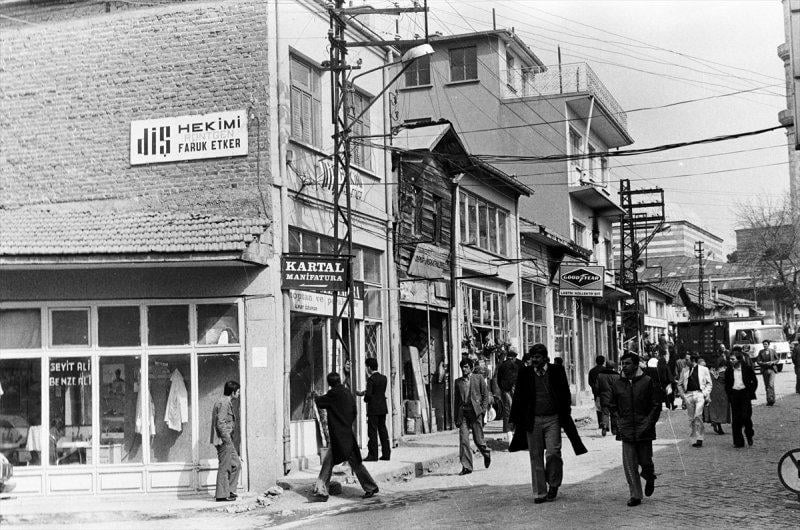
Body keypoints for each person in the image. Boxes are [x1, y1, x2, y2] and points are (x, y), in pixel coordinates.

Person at [509, 344, 587, 503]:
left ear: (544, 357)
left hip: (553, 419)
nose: (534, 361)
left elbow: (565, 393)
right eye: (532, 358)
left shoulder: (557, 370)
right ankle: (539, 493)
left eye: (537, 357)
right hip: (533, 419)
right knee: (535, 456)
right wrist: (514, 420)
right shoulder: (525, 372)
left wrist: (565, 413)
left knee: (553, 453)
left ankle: (553, 483)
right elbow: (518, 397)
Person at [602, 352, 662, 507]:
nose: (624, 367)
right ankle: (635, 494)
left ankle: (649, 477)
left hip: (644, 428)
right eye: (622, 364)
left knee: (645, 461)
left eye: (627, 363)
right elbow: (612, 404)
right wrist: (619, 421)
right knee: (629, 464)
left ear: (636, 365)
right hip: (626, 428)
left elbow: (656, 405)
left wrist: (648, 423)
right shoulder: (617, 383)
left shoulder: (647, 381)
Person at [314, 372, 379, 500]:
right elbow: (354, 411)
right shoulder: (347, 393)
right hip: (347, 434)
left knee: (329, 463)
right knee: (354, 463)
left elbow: (321, 402)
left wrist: (315, 396)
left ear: (329, 383)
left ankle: (321, 490)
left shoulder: (333, 394)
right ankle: (370, 486)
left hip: (338, 437)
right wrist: (346, 423)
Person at [453, 358, 492, 475]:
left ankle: (486, 453)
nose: (464, 369)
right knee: (463, 440)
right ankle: (467, 467)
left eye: (466, 367)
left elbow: (485, 396)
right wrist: (456, 417)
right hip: (463, 413)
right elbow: (456, 401)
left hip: (475, 413)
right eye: (462, 367)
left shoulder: (478, 378)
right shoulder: (458, 382)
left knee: (478, 440)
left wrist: (482, 411)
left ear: (471, 368)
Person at [210, 380, 241, 502]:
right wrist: (227, 440)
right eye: (237, 392)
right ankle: (222, 495)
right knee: (225, 466)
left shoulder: (226, 401)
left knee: (236, 464)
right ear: (232, 392)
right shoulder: (223, 403)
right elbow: (220, 423)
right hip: (223, 440)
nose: (238, 394)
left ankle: (229, 490)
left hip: (226, 439)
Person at [356, 357, 390, 462]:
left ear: (369, 368)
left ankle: (373, 455)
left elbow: (370, 395)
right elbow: (378, 391)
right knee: (383, 431)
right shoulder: (384, 378)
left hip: (373, 409)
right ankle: (386, 454)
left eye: (367, 367)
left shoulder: (371, 379)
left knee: (372, 432)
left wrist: (365, 398)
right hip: (382, 408)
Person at [724, 350, 758, 448]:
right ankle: (738, 442)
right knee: (736, 419)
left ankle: (749, 434)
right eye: (730, 359)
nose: (731, 361)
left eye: (733, 359)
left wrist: (750, 392)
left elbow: (754, 381)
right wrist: (729, 395)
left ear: (739, 359)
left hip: (745, 394)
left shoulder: (747, 368)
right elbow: (727, 384)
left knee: (746, 417)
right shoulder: (729, 370)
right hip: (734, 395)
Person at [677, 354, 712, 448]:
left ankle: (700, 438)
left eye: (687, 359)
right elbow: (679, 384)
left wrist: (705, 393)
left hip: (699, 394)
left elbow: (709, 383)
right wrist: (683, 396)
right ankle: (693, 439)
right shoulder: (684, 370)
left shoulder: (704, 369)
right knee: (691, 418)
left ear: (692, 360)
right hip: (688, 395)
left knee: (698, 416)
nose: (685, 361)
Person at [497, 349, 523, 434]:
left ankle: (506, 428)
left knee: (507, 409)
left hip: (504, 389)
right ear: (513, 358)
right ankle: (513, 428)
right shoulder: (515, 366)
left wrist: (501, 387)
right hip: (513, 388)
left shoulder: (502, 365)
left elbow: (498, 378)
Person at [703, 355, 731, 435]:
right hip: (722, 392)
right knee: (721, 408)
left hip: (712, 392)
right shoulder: (725, 371)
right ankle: (719, 424)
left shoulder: (709, 371)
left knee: (714, 408)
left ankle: (715, 421)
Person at [595, 360, 620, 436]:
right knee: (614, 414)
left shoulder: (600, 375)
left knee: (605, 413)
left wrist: (598, 395)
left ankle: (605, 425)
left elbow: (596, 387)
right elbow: (620, 387)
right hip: (614, 398)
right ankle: (614, 430)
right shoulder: (617, 376)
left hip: (604, 397)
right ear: (613, 367)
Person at [755, 340, 778, 406]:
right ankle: (770, 400)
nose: (765, 345)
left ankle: (771, 400)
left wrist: (773, 362)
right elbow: (758, 361)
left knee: (771, 384)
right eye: (764, 344)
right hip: (765, 370)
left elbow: (777, 359)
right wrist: (764, 363)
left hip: (772, 370)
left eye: (766, 344)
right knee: (767, 385)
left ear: (768, 345)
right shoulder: (761, 352)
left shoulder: (773, 351)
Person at [588, 355, 606, 434]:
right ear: (603, 361)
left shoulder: (592, 371)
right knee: (605, 407)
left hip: (596, 392)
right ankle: (605, 423)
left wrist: (594, 388)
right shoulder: (606, 370)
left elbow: (590, 382)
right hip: (605, 392)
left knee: (598, 407)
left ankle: (600, 423)